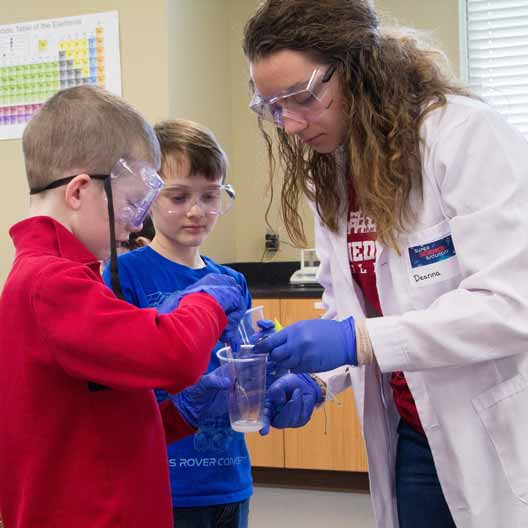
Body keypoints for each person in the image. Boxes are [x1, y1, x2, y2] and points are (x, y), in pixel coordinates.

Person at [243, 1, 528, 527]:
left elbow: (512, 305)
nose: (289, 124)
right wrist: (320, 380)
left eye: (302, 98)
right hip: (412, 434)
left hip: (499, 429)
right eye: (271, 107)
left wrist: (362, 340)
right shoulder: (333, 174)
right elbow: (348, 309)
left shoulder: (463, 137)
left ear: (360, 70)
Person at [0, 85, 247, 528]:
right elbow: (174, 356)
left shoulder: (63, 278)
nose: (138, 222)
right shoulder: (50, 283)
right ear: (77, 192)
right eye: (133, 204)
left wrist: (181, 413)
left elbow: (103, 426)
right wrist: (207, 299)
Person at [103, 118, 279, 528]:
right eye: (179, 197)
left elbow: (243, 376)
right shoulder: (123, 276)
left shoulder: (232, 282)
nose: (196, 211)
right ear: (148, 199)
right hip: (164, 482)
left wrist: (271, 370)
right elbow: (120, 388)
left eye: (210, 196)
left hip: (229, 479)